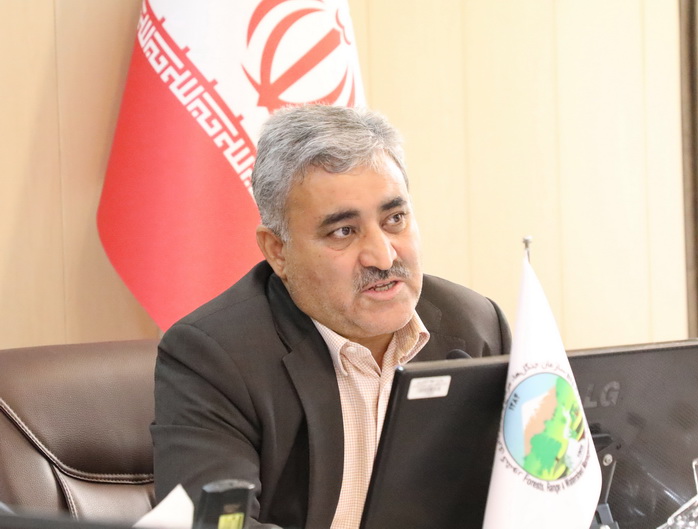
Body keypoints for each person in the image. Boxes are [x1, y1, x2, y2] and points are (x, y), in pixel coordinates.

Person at [152, 104, 511, 529]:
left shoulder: (475, 326)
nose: (383, 256)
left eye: (395, 219)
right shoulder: (216, 357)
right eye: (344, 231)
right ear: (278, 251)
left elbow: (535, 490)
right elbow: (216, 525)